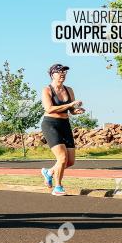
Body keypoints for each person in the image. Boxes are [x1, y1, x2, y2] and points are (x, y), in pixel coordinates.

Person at [40, 64, 85, 196]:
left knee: (70, 161)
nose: (63, 74)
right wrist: (70, 104)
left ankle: (49, 172)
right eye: (59, 72)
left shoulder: (69, 90)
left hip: (65, 124)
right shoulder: (47, 90)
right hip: (50, 124)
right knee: (62, 157)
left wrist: (76, 110)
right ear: (52, 74)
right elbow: (49, 108)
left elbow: (71, 111)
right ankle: (58, 187)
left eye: (64, 72)